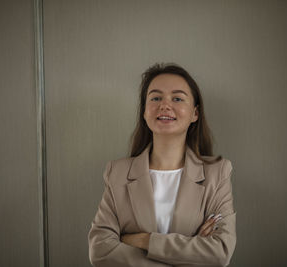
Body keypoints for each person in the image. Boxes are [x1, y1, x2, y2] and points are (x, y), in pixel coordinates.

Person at [88, 62, 236, 267]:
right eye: (156, 98)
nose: (165, 105)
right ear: (144, 111)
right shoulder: (117, 173)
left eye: (177, 98)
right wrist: (191, 251)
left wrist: (144, 240)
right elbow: (101, 251)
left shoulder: (217, 173)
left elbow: (220, 252)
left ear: (195, 113)